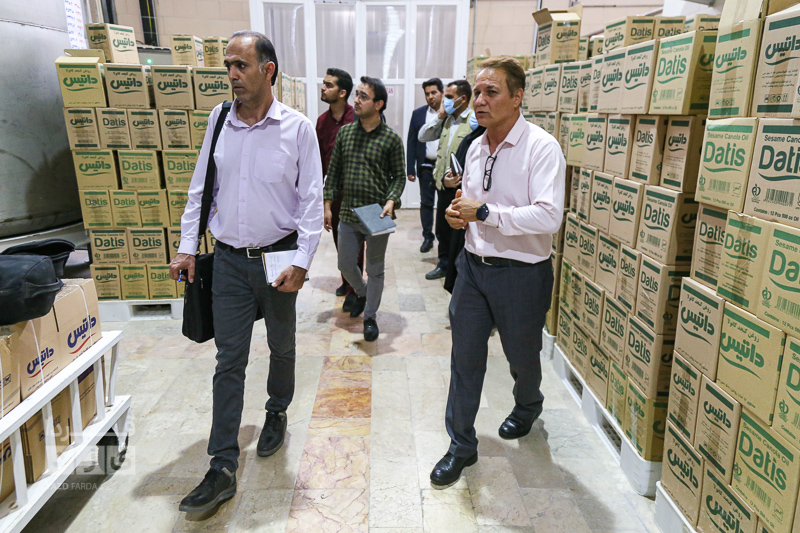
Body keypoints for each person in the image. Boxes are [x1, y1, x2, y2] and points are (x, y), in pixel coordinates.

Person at [169, 31, 323, 512]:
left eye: (241, 65)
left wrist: (302, 261)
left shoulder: (297, 128)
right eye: (228, 66)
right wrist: (187, 248)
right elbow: (200, 190)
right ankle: (222, 466)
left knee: (282, 344)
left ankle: (276, 410)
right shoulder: (219, 120)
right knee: (229, 359)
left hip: (278, 257)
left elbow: (311, 201)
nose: (232, 75)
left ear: (267, 69)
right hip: (230, 261)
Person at [429, 57, 566, 487]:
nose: (480, 101)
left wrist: (485, 213)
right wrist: (458, 216)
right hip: (473, 269)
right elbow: (468, 204)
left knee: (521, 356)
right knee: (464, 359)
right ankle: (461, 445)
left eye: (492, 92)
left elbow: (549, 217)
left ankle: (527, 404)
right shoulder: (474, 147)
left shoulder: (541, 148)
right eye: (477, 92)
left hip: (522, 274)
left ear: (517, 97)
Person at [323, 76, 405, 342]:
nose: (356, 100)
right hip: (348, 211)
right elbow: (334, 172)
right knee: (345, 263)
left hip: (377, 213)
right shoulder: (345, 133)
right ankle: (362, 292)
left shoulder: (391, 139)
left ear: (379, 104)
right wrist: (327, 204)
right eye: (356, 95)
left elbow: (399, 177)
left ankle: (370, 316)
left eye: (363, 96)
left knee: (376, 268)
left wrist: (392, 200)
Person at [316, 67, 364, 306]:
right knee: (339, 238)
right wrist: (323, 199)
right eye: (323, 83)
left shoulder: (358, 117)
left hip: (358, 192)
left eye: (329, 85)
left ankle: (356, 290)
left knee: (356, 243)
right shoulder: (322, 122)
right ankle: (346, 280)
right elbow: (319, 160)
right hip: (335, 191)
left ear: (343, 92)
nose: (323, 88)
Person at [418, 80, 474, 281]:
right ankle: (443, 264)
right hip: (443, 185)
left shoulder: (474, 121)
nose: (445, 100)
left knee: (458, 232)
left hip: (461, 189)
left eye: (449, 97)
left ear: (463, 99)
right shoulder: (447, 120)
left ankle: (457, 269)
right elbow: (423, 136)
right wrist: (440, 116)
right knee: (442, 229)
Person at [442, 116, 486, 294]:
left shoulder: (538, 146)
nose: (480, 103)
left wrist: (484, 212)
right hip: (468, 244)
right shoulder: (473, 142)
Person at [407, 79, 443, 253]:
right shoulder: (418, 114)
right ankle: (428, 237)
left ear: (442, 93)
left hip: (445, 168)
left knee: (444, 204)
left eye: (434, 92)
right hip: (425, 166)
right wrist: (410, 168)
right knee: (426, 203)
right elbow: (412, 142)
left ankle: (443, 238)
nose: (430, 97)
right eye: (427, 94)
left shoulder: (449, 114)